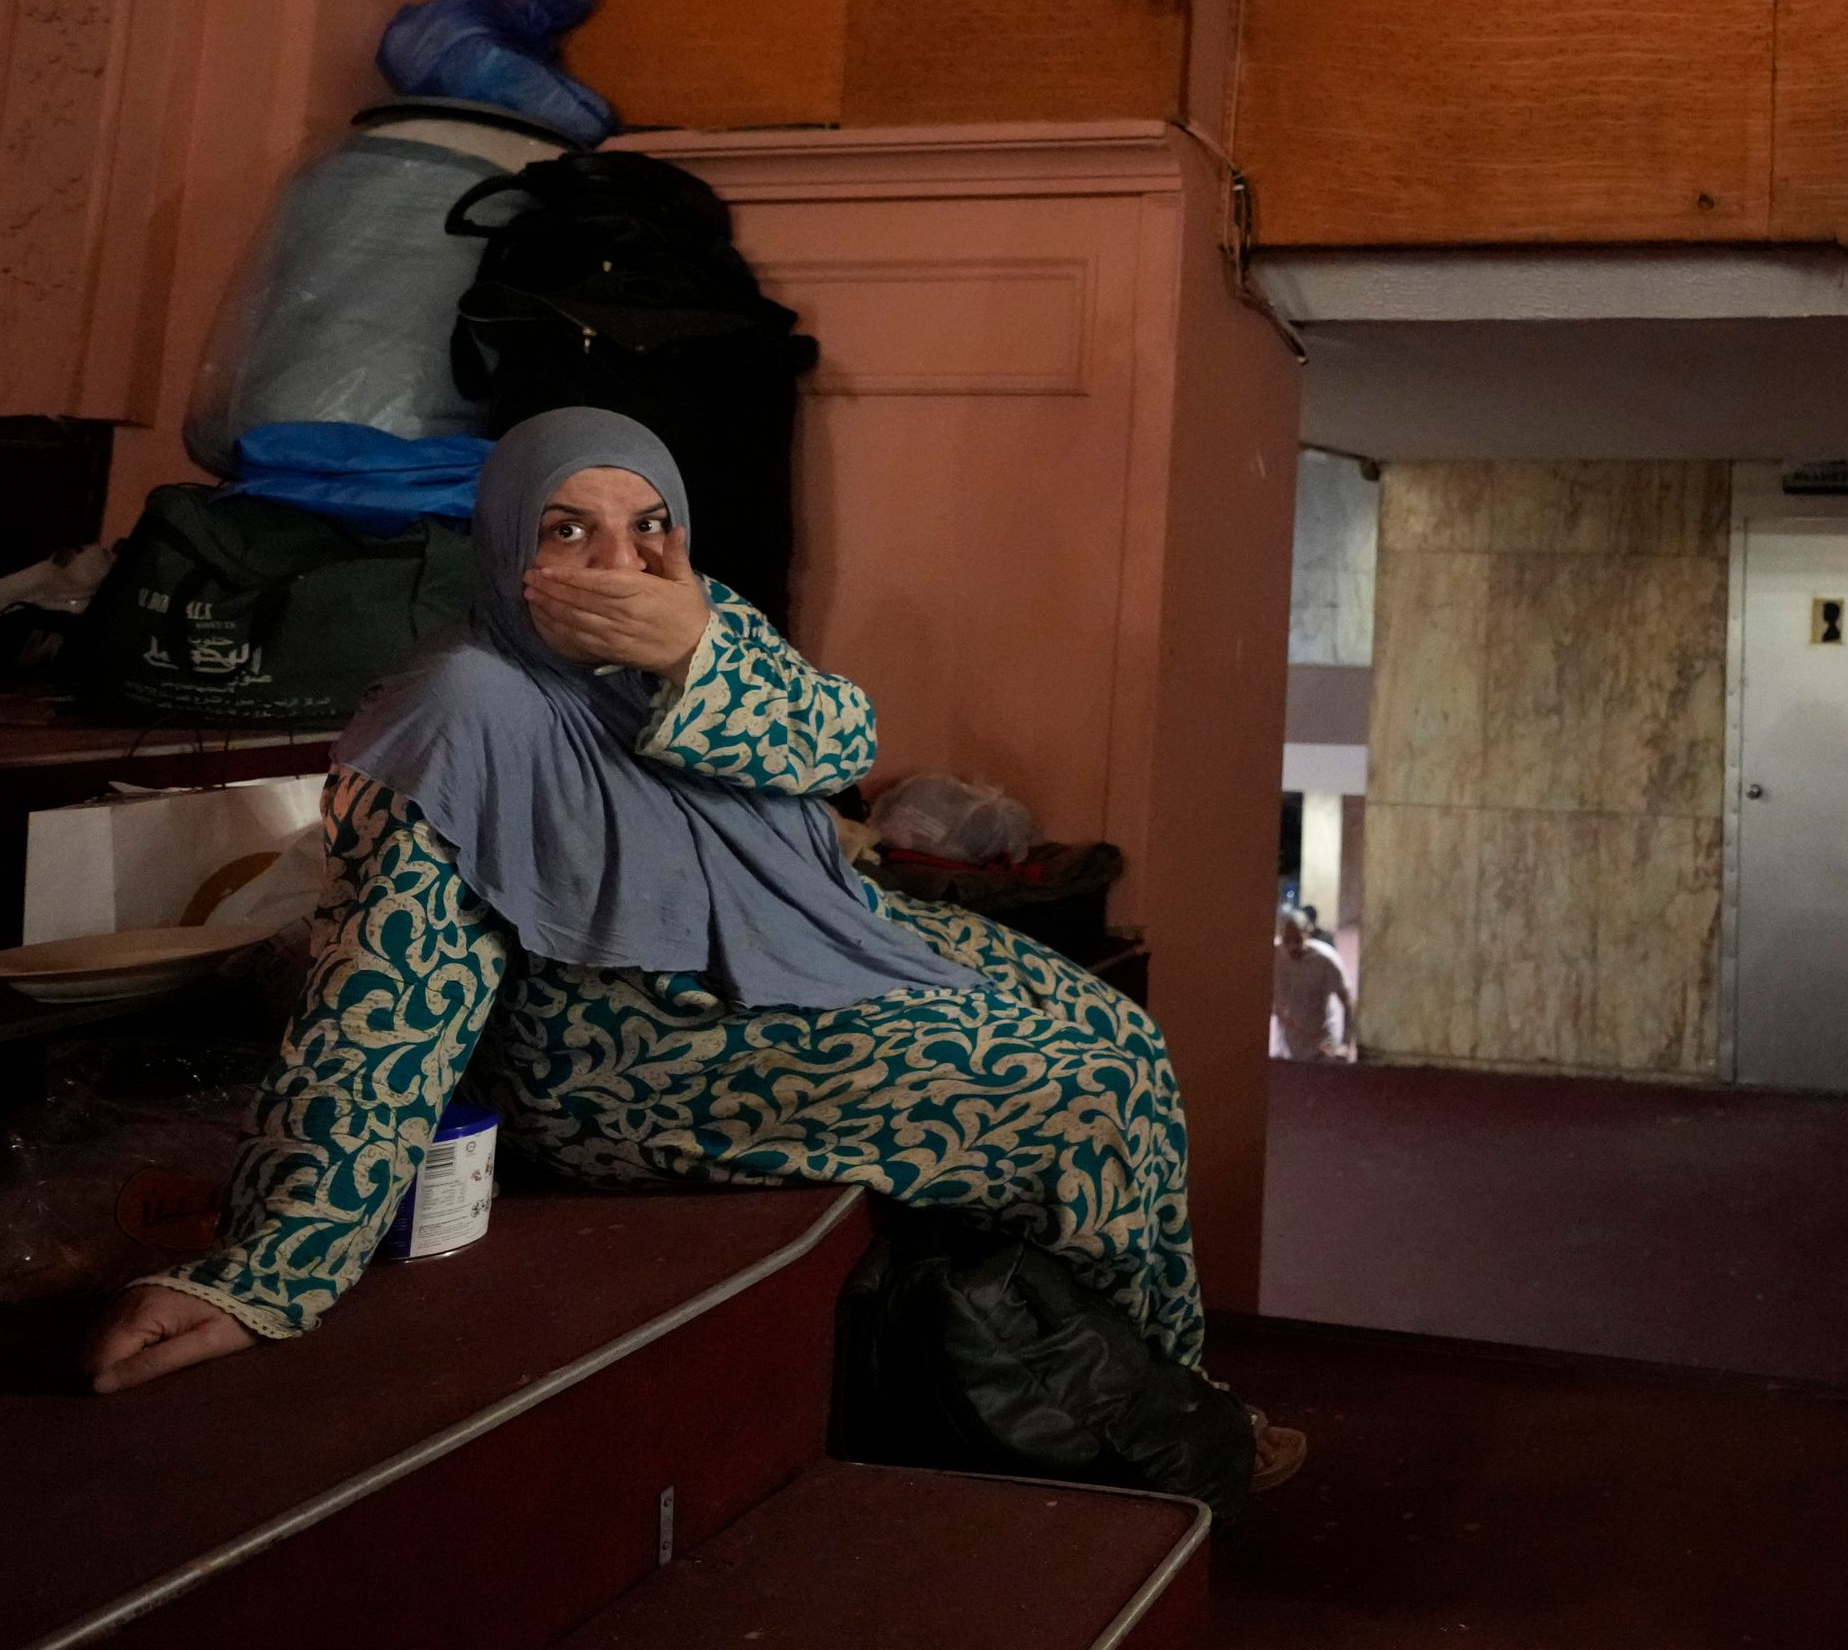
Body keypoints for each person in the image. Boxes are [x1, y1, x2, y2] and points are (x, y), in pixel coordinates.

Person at [81, 409, 1302, 1488]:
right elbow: (389, 1003)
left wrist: (697, 649)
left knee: (1119, 1028)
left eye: (649, 525)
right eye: (568, 531)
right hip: (632, 1042)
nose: (621, 564)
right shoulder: (469, 711)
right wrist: (273, 1264)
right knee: (1088, 1088)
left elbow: (835, 743)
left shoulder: (684, 627)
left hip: (791, 940)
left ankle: (1128, 1389)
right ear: (506, 547)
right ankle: (1162, 1430)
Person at [1272, 905, 1355, 1063]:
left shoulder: (1326, 960)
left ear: (1308, 933)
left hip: (1322, 1047)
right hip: (1288, 1048)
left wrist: (1345, 1044)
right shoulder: (1275, 955)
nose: (1292, 947)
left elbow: (1348, 1003)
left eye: (1297, 940)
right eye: (1286, 940)